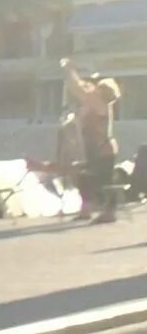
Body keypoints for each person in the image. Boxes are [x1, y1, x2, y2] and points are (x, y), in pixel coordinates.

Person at [66, 58, 123, 225]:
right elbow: (80, 89)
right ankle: (87, 209)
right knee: (85, 176)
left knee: (102, 180)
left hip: (102, 148)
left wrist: (69, 69)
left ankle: (108, 212)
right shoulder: (97, 103)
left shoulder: (99, 104)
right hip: (96, 147)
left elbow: (78, 89)